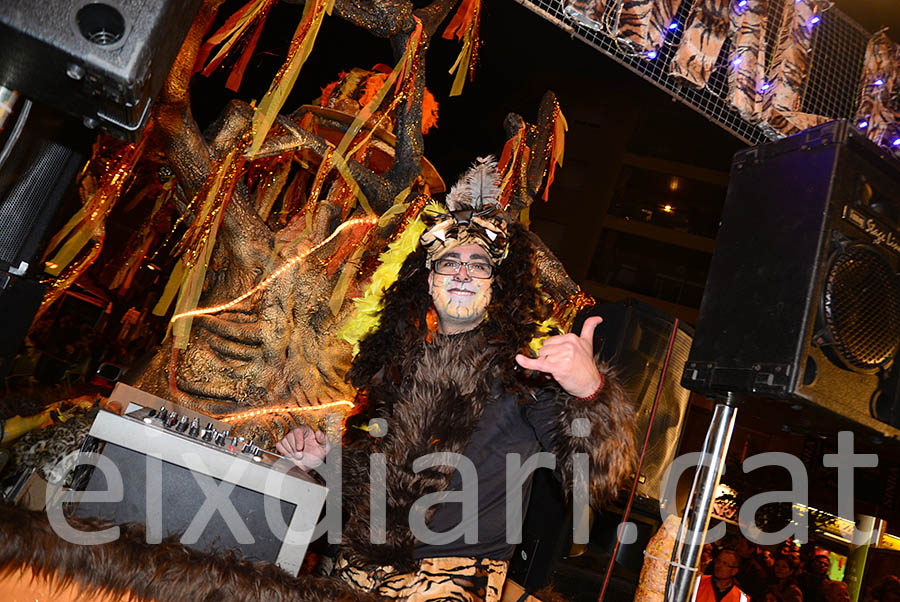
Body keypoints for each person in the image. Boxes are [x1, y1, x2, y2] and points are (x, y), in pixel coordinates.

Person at [276, 157, 637, 601]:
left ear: (494, 286)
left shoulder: (524, 372)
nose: (463, 272)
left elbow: (596, 477)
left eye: (479, 264)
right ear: (430, 280)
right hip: (355, 573)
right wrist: (324, 459)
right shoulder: (396, 365)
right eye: (450, 262)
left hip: (452, 583)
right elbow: (385, 485)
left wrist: (589, 391)